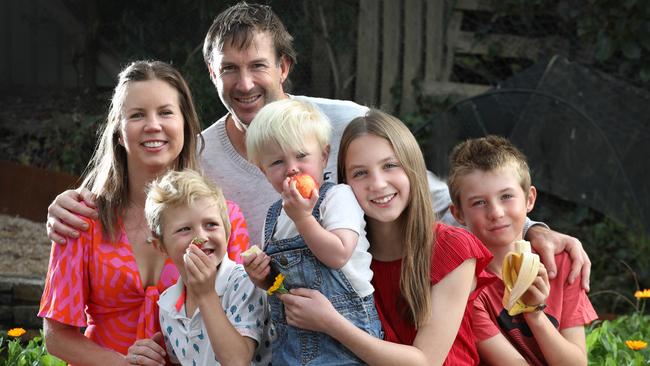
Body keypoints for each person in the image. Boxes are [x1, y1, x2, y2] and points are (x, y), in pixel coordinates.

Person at [44, 1, 591, 291]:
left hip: (368, 305)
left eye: (258, 65)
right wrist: (72, 202)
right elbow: (148, 188)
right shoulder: (203, 156)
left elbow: (438, 198)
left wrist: (534, 230)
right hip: (261, 320)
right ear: (211, 76)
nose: (245, 83)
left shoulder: (347, 123)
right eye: (228, 70)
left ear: (283, 66)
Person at [38, 60, 249, 365]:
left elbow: (242, 325)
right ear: (119, 133)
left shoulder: (223, 220)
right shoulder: (82, 218)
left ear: (185, 125)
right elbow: (56, 336)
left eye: (165, 112)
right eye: (137, 115)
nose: (153, 125)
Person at [280, 110, 494, 365]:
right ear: (344, 184)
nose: (378, 184)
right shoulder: (339, 251)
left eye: (390, 166)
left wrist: (330, 323)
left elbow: (424, 361)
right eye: (360, 173)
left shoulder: (452, 248)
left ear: (413, 167)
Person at [243, 99, 381, 364]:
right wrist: (263, 279)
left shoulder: (338, 197)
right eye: (277, 162)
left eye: (302, 156)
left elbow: (339, 254)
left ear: (324, 156)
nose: (292, 167)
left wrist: (304, 218)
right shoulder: (273, 216)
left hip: (346, 345)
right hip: (291, 346)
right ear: (264, 171)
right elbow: (280, 287)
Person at [447, 135, 597, 366]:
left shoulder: (562, 263)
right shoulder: (466, 283)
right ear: (458, 214)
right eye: (479, 202)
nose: (496, 212)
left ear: (529, 199)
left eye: (506, 196)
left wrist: (535, 315)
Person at [139, 169, 271, 366]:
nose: (201, 238)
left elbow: (237, 361)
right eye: (184, 229)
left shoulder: (244, 283)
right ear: (161, 246)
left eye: (211, 224)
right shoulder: (167, 304)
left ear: (227, 233)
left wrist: (206, 294)